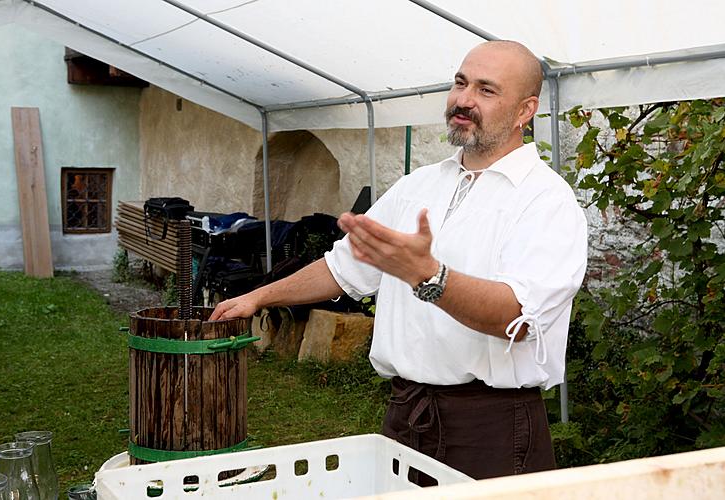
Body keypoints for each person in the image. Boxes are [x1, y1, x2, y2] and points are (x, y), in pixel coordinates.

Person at [210, 40, 588, 480]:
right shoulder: (418, 186)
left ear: (525, 110)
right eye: (461, 83)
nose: (464, 100)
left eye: (486, 90)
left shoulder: (547, 201)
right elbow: (343, 267)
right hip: (406, 413)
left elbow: (518, 319)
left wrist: (429, 277)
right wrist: (258, 297)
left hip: (491, 427)